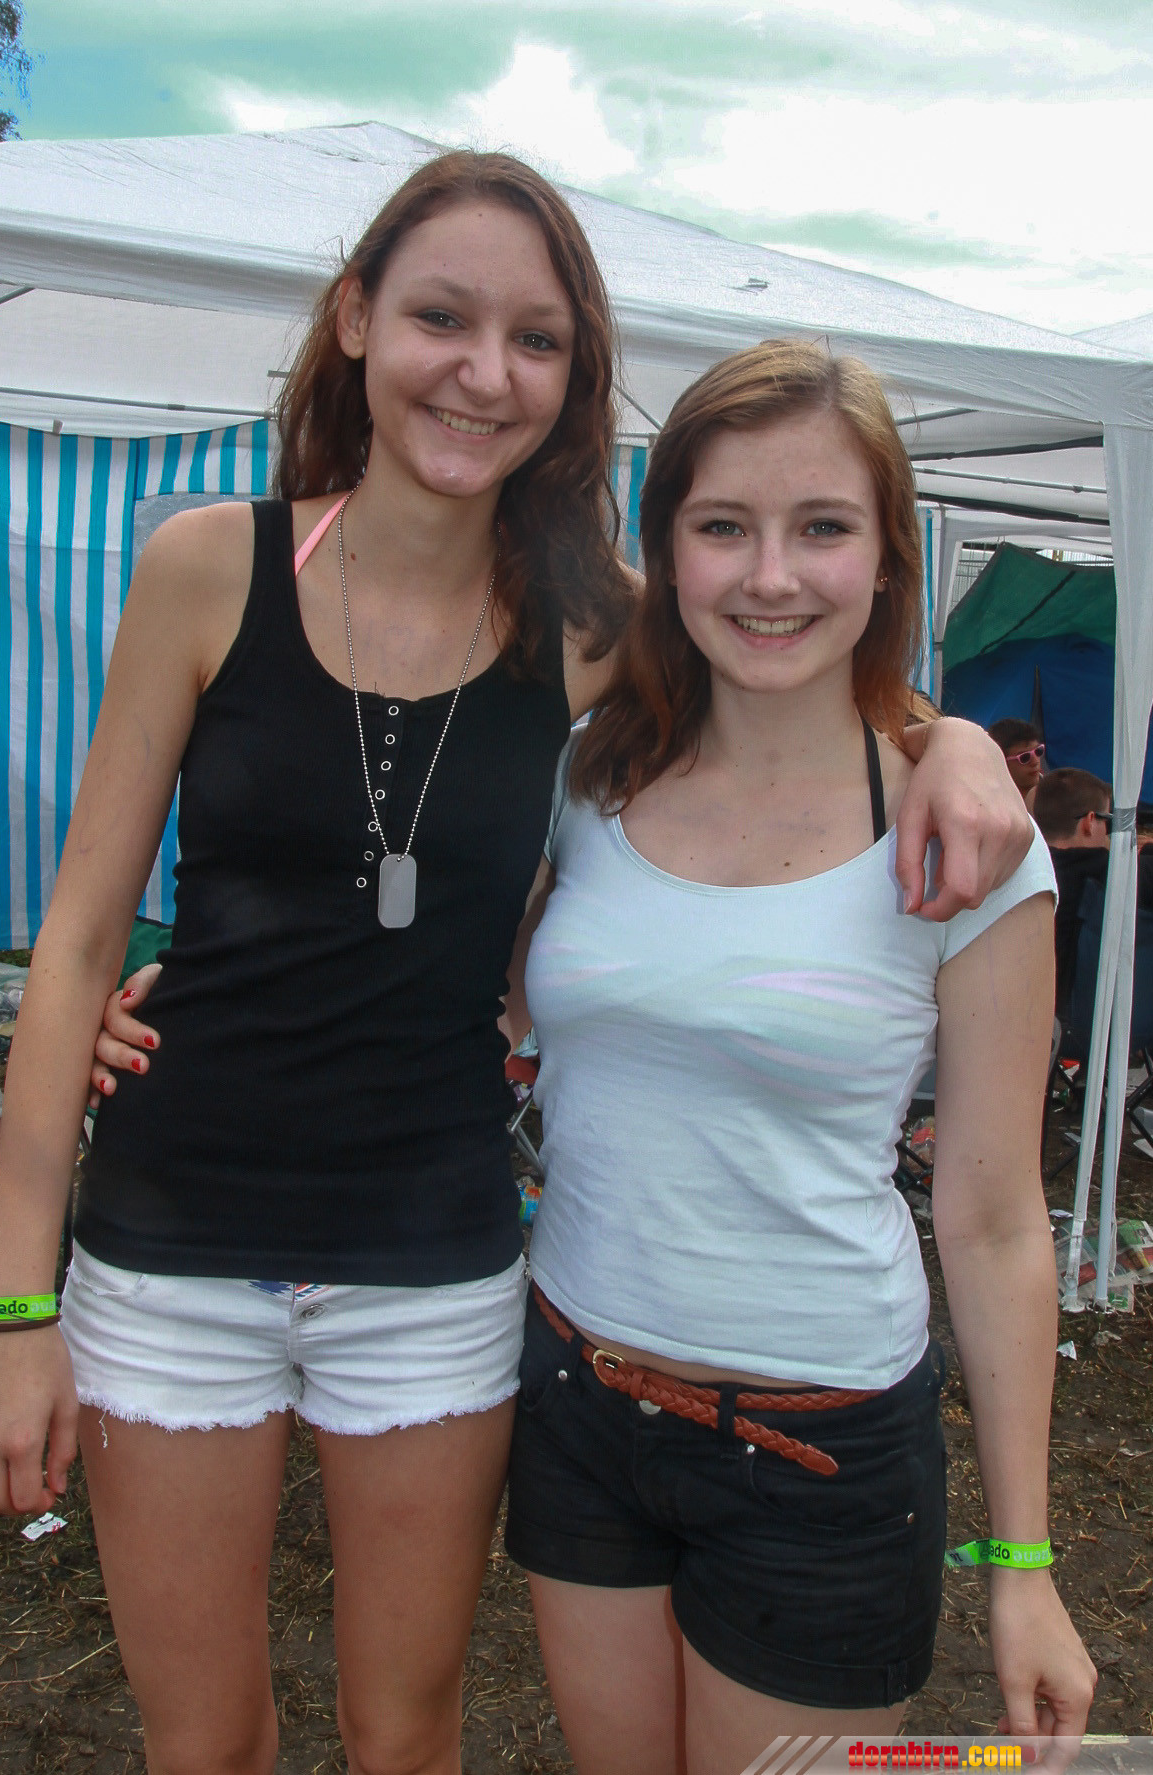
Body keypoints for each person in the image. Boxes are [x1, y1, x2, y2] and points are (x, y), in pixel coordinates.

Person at [0, 152, 1032, 1775]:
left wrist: (947, 737)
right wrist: (10, 1298)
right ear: (354, 320)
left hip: (433, 1257)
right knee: (203, 1743)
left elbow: (789, 651)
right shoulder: (206, 565)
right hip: (169, 1246)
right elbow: (74, 947)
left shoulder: (590, 625)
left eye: (534, 339)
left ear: (572, 377)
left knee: (405, 1734)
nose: (482, 372)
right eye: (440, 319)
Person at [501, 342, 1095, 1770]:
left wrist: (1020, 1561)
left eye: (821, 526)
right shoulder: (584, 775)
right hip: (575, 1395)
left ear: (887, 558)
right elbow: (453, 984)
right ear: (667, 551)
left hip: (819, 1450)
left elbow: (994, 1217)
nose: (769, 576)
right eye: (723, 525)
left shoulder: (967, 843)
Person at [1034, 767, 1153, 1017]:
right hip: (1094, 1027)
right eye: (1107, 821)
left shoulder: (1021, 873)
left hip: (1030, 1018)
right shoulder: (1115, 876)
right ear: (1089, 822)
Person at [988, 718, 1045, 810]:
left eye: (1038, 751)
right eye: (1024, 757)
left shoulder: (1058, 795)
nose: (1035, 762)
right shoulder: (990, 807)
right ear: (1001, 762)